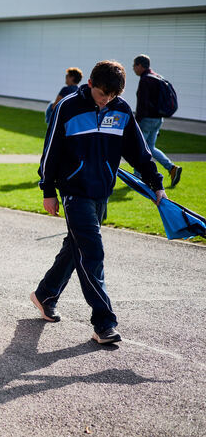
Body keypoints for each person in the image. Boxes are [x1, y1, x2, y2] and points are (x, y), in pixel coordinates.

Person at [33, 60, 166, 345]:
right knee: (92, 253)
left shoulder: (121, 110)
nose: (106, 100)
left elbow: (139, 152)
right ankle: (104, 322)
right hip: (73, 191)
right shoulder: (67, 107)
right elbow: (51, 151)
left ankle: (45, 294)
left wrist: (156, 183)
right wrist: (48, 190)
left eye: (112, 96)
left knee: (76, 247)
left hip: (101, 192)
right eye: (102, 94)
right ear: (90, 84)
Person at [133, 54, 182, 187]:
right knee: (151, 147)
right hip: (158, 119)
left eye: (134, 65)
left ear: (140, 65)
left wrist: (136, 122)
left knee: (140, 148)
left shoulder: (145, 80)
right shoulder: (158, 77)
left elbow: (142, 104)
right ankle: (172, 168)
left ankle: (136, 178)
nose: (133, 68)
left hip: (147, 119)